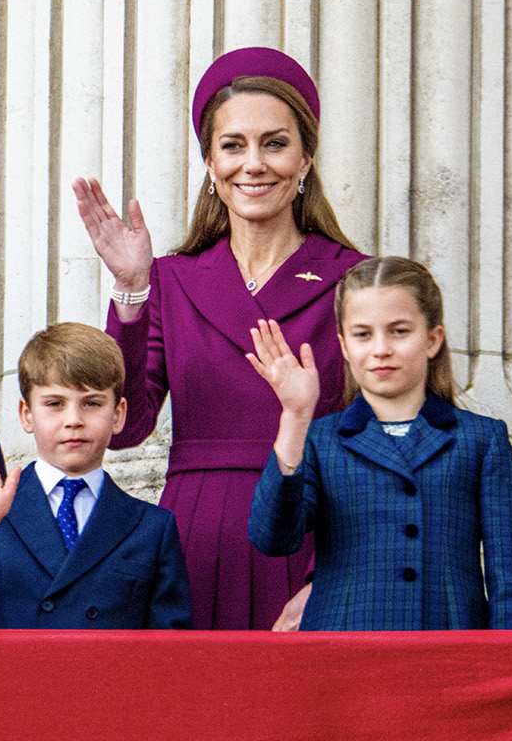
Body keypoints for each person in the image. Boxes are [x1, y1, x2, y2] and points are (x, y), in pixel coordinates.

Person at [74, 46, 367, 630]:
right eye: (233, 146)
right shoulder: (170, 280)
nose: (253, 164)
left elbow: (373, 448)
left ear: (306, 158)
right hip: (194, 541)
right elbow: (126, 428)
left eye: (275, 144)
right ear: (210, 162)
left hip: (312, 536)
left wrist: (332, 577)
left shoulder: (354, 280)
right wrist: (131, 289)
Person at [247, 257, 512, 629]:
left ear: (432, 340)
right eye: (363, 334)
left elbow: (509, 579)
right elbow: (272, 538)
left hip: (448, 645)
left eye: (399, 331)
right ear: (344, 346)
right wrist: (295, 417)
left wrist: (508, 660)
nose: (380, 348)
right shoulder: (319, 439)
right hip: (343, 647)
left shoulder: (481, 439)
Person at [0, 322, 192, 629]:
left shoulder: (152, 527)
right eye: (55, 404)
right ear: (26, 414)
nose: (74, 420)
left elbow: (169, 647)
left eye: (92, 403)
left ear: (118, 414)